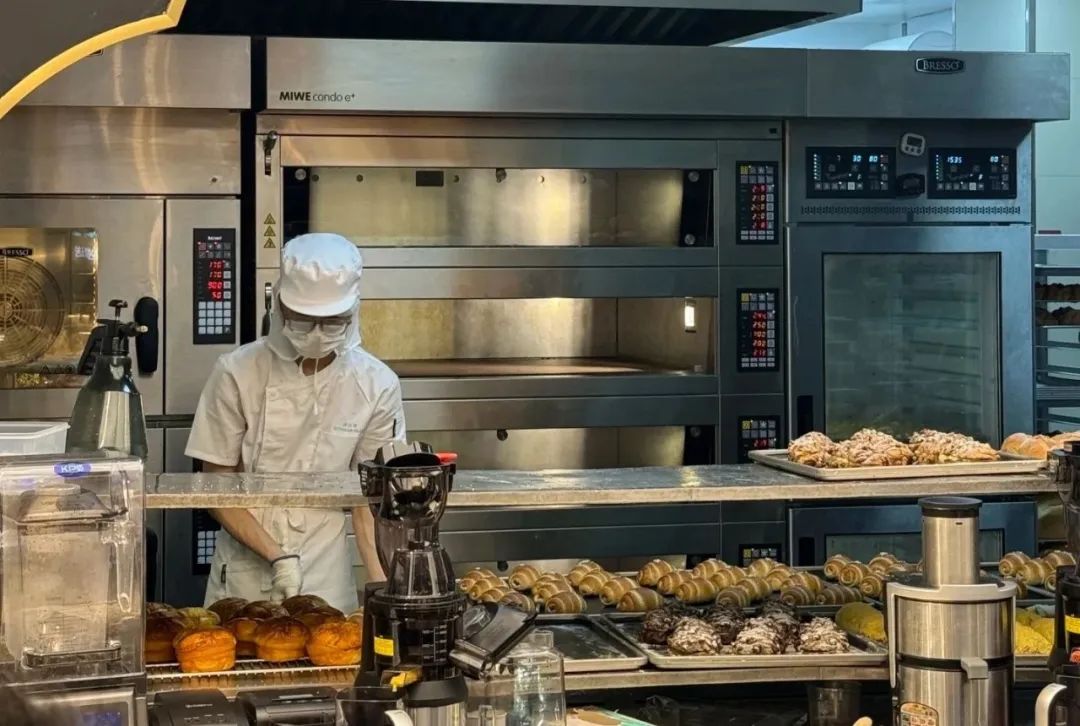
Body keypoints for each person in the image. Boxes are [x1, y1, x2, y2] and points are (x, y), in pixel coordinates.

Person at [186, 233, 404, 612]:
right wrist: (278, 556)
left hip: (326, 565)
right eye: (303, 321)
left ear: (353, 313)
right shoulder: (238, 372)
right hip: (246, 564)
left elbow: (370, 502)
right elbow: (215, 485)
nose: (317, 334)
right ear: (280, 307)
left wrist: (385, 593)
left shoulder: (376, 384)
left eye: (331, 323)